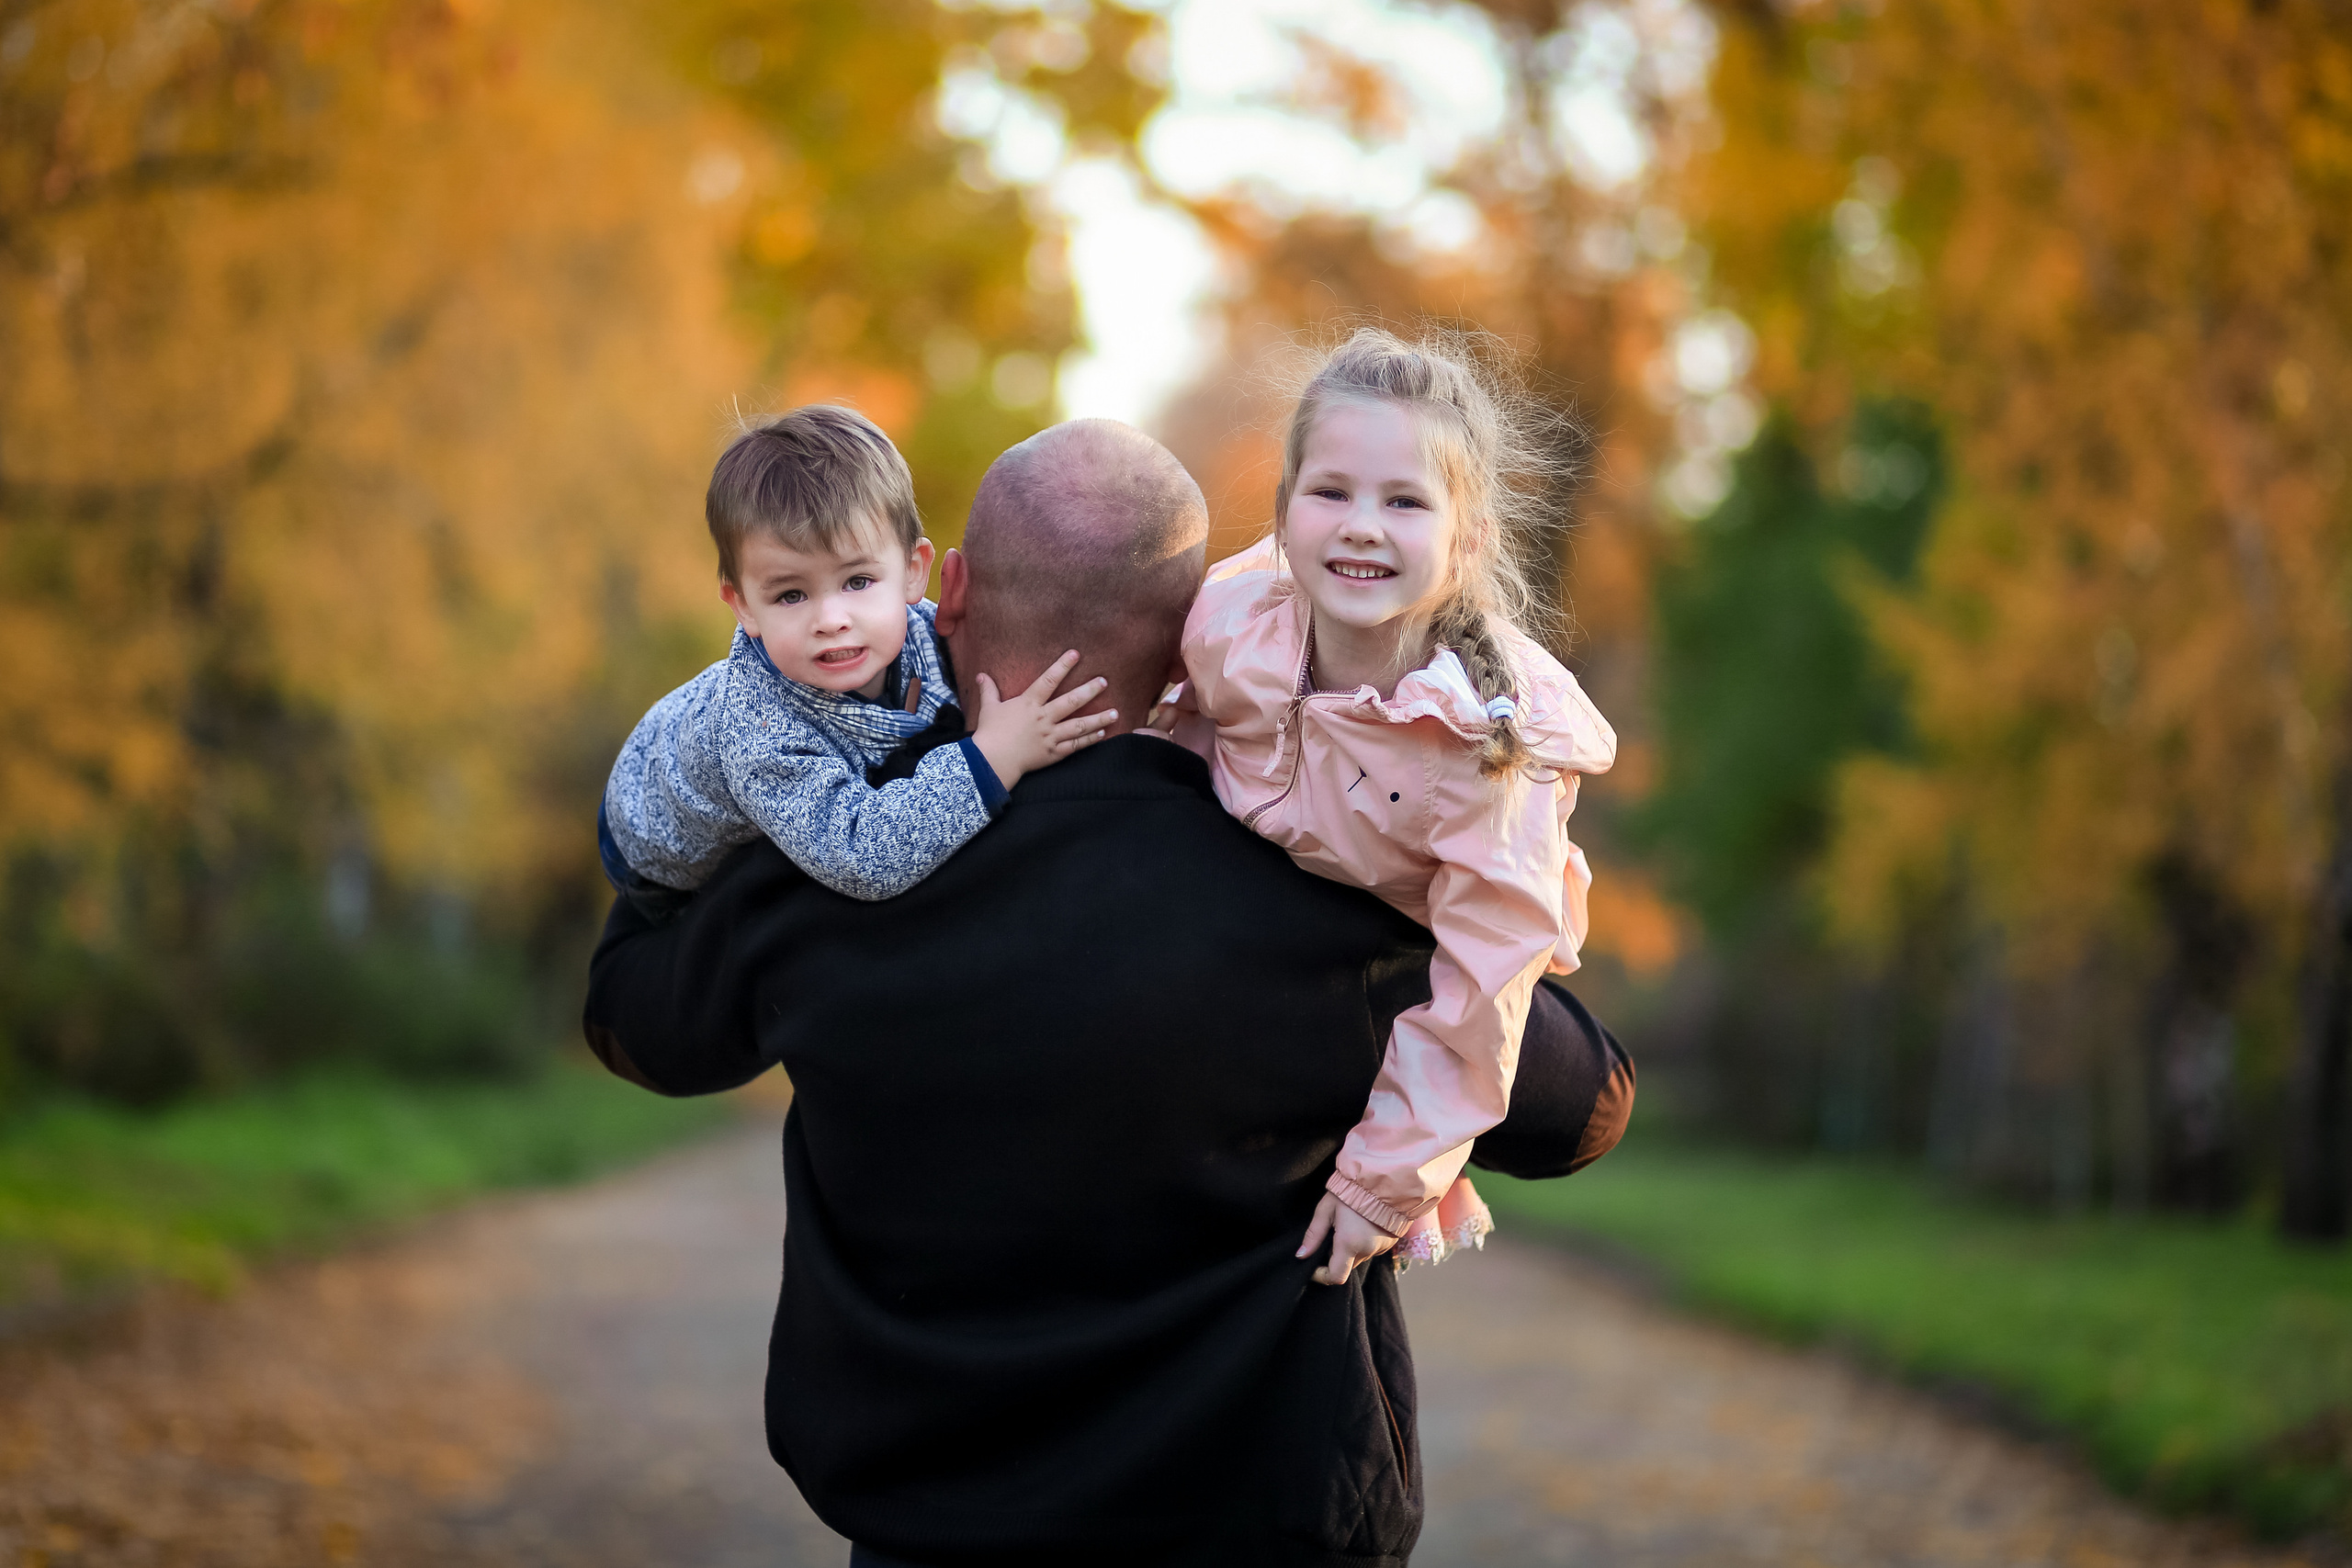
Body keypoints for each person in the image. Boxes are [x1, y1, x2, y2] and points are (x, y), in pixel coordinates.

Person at [582, 418, 1634, 1567]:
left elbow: (633, 1018)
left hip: (934, 1526)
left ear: (953, 591)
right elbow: (1581, 1110)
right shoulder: (1334, 904)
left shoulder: (826, 873)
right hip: (1263, 1521)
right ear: (1196, 641)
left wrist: (692, 802)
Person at [1177, 329, 1616, 1281]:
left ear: (1466, 541)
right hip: (1284, 902)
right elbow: (1158, 734)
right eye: (1331, 491)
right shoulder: (1230, 627)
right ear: (1286, 510)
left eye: (1404, 502)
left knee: (1465, 1099)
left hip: (1430, 947)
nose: (1361, 525)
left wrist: (1384, 1178)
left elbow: (1479, 989)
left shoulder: (1483, 748)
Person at [597, 403, 1114, 917]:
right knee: (763, 905)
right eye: (791, 596)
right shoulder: (758, 731)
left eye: (858, 581)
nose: (831, 618)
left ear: (913, 572)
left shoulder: (922, 629)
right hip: (651, 844)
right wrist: (994, 756)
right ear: (744, 607)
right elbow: (862, 855)